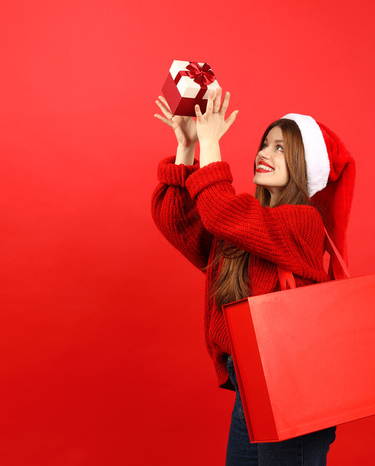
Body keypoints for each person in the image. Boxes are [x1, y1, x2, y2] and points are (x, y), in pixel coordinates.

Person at [151, 88, 355, 466]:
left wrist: (212, 142)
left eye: (280, 148)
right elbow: (180, 225)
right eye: (264, 145)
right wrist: (188, 146)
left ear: (305, 165)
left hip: (293, 386)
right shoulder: (247, 227)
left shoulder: (301, 222)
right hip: (253, 384)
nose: (264, 153)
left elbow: (220, 212)